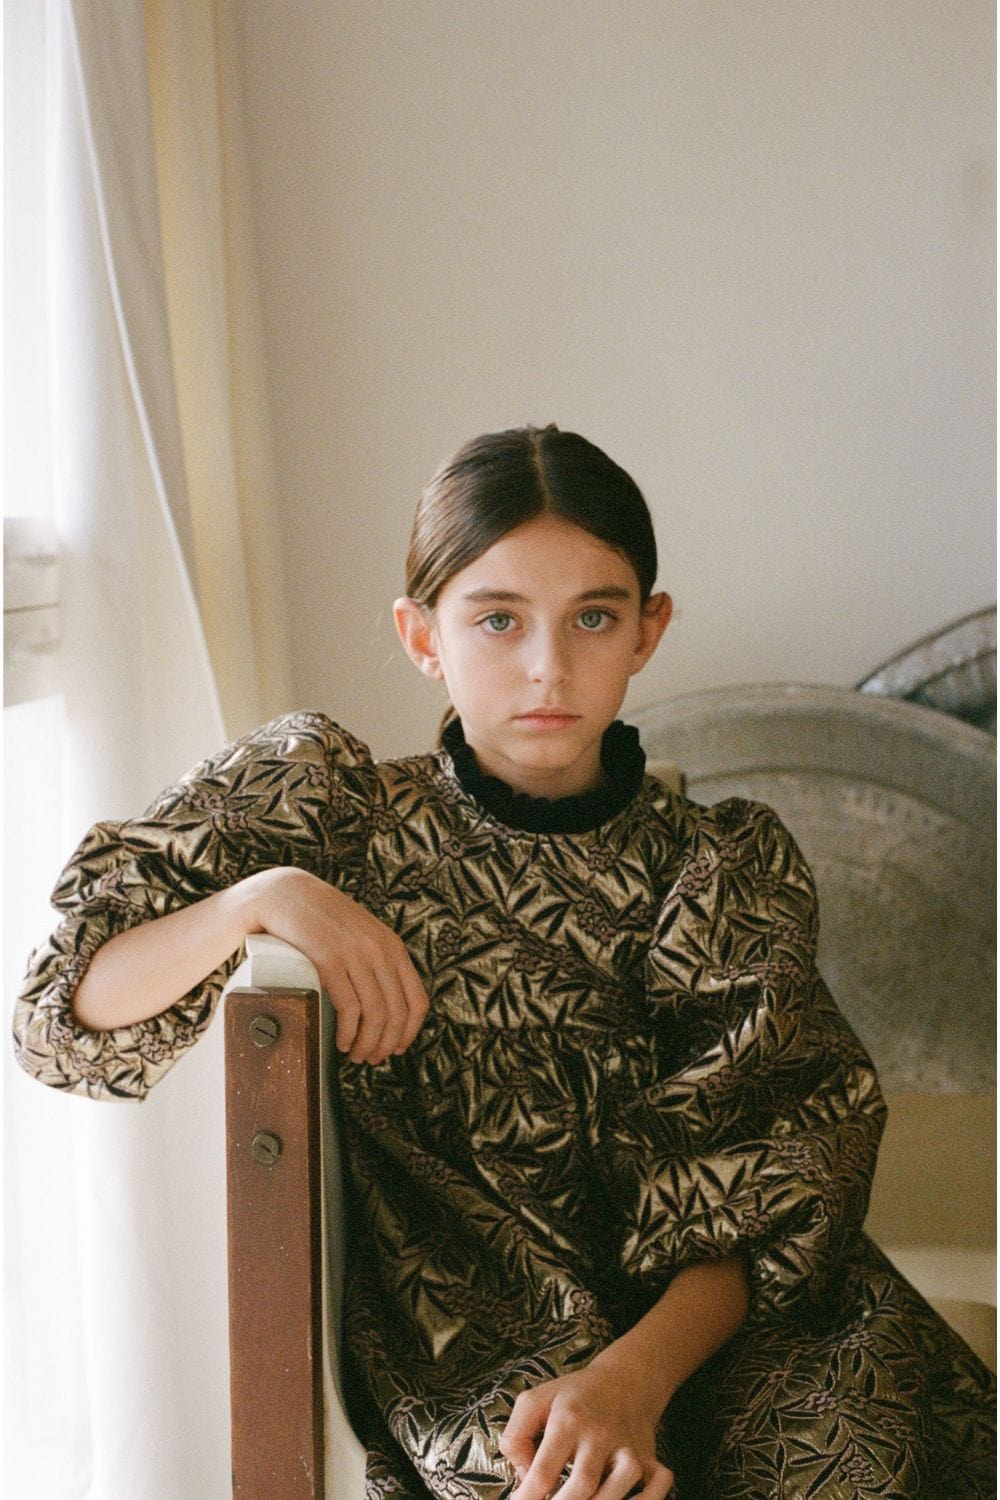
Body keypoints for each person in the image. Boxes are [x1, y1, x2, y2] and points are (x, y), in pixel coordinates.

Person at [14, 425, 995, 1499]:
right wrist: (262, 899)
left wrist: (633, 1380)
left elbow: (763, 1186)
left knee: (848, 1453)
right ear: (421, 634)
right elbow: (61, 1016)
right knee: (555, 1477)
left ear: (648, 630)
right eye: (496, 619)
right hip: (472, 1333)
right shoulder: (335, 815)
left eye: (593, 617)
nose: (548, 667)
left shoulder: (716, 869)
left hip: (713, 1325)